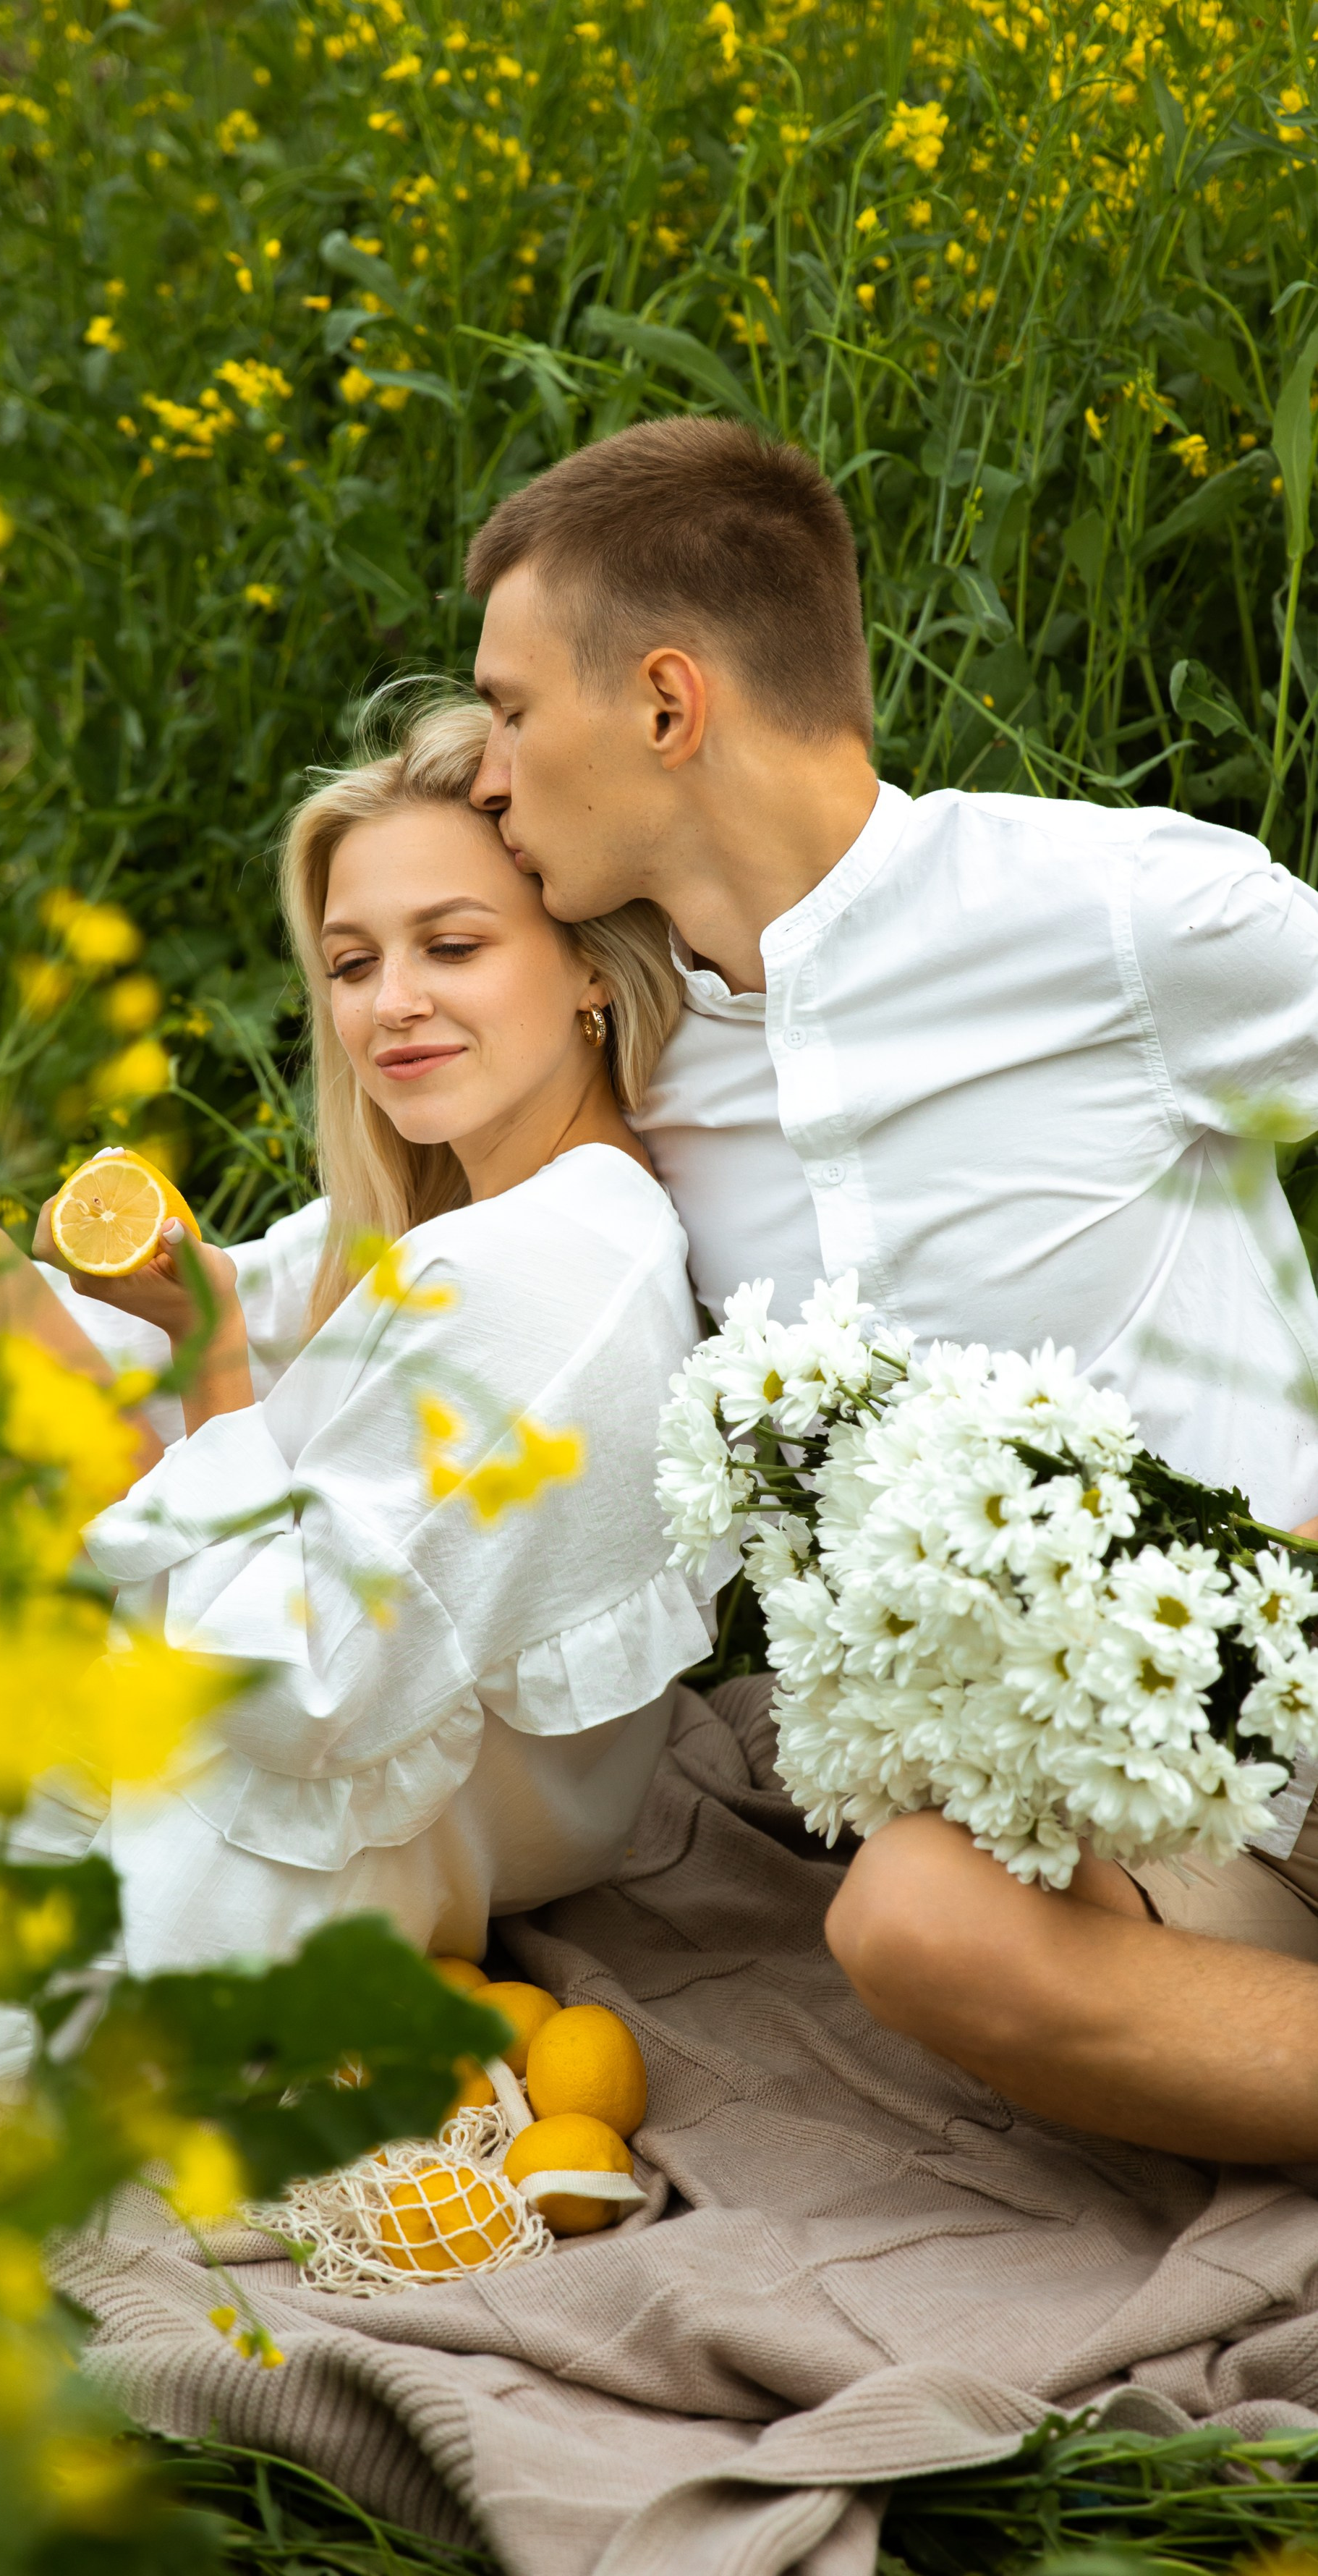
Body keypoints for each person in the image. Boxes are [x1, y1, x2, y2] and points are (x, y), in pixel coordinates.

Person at [461, 414, 1318, 2166]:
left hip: (1294, 1631)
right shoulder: (641, 1073)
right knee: (907, 1923)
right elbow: (388, 1267)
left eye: (509, 706)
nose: (484, 772)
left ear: (666, 704)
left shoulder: (1111, 914)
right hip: (1114, 1801)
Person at [0, 697, 721, 1978]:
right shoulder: (475, 1207)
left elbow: (296, 1686)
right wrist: (113, 1303)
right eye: (354, 965)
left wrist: (203, 1364)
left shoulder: (528, 1267)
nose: (393, 1007)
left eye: (453, 946)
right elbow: (247, 1309)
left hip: (320, 1801)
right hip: (326, 1690)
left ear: (589, 962)